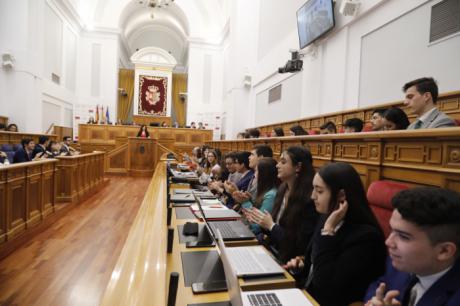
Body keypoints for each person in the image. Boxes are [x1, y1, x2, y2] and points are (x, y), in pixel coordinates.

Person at [285, 162, 386, 306]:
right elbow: (318, 262)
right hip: (305, 295)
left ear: (341, 195)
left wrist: (328, 232)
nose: (312, 196)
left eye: (319, 191)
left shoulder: (366, 237)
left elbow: (326, 286)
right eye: (313, 189)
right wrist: (303, 264)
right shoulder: (326, 217)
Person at [365, 187, 460, 306]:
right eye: (391, 230)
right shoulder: (400, 260)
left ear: (444, 251)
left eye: (403, 236)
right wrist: (375, 302)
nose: (388, 242)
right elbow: (380, 284)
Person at [246, 146, 319, 262]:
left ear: (298, 167)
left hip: (290, 261)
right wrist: (260, 221)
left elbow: (300, 244)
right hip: (272, 252)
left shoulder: (310, 199)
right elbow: (271, 230)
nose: (277, 165)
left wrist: (271, 225)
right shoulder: (282, 189)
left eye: (283, 162)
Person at [242, 158, 279, 234]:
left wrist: (245, 201)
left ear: (264, 174)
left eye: (257, 171)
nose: (255, 174)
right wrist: (249, 200)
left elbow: (257, 226)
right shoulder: (264, 190)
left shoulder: (271, 195)